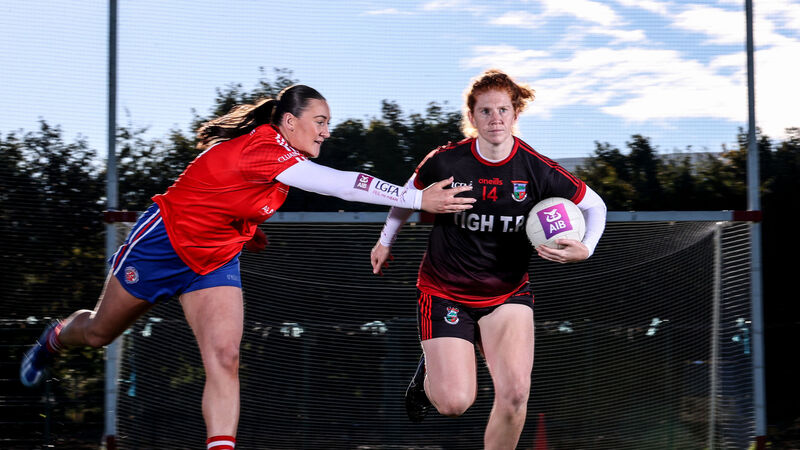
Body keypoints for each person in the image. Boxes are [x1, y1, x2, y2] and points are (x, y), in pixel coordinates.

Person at [19, 84, 475, 450]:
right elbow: (342, 185)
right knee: (98, 333)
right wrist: (416, 198)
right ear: (289, 122)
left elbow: (232, 196)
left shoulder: (286, 158)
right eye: (320, 121)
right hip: (162, 246)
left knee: (225, 358)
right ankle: (53, 338)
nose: (326, 132)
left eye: (328, 123)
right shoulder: (264, 148)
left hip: (213, 262)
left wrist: (245, 228)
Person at [370, 70, 607, 450]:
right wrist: (385, 242)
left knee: (515, 395)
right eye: (485, 111)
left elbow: (595, 205)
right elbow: (405, 198)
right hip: (445, 292)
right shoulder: (445, 162)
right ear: (472, 116)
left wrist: (587, 247)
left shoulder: (537, 169)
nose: (495, 118)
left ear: (515, 114)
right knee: (454, 403)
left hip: (507, 294)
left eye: (503, 110)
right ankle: (428, 376)